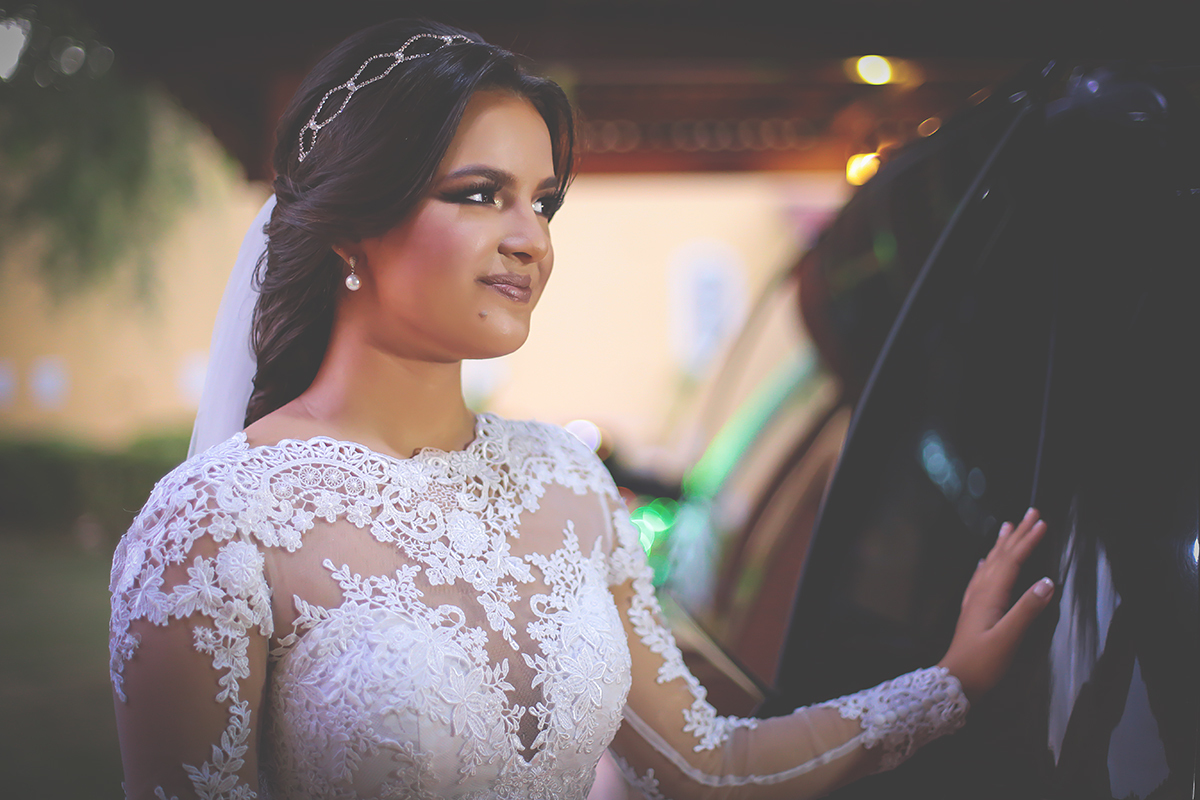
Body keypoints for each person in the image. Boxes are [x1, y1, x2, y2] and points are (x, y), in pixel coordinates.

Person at [108, 19, 1056, 800]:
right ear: (352, 226)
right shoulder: (213, 524)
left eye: (544, 203)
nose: (531, 239)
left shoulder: (568, 483)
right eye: (482, 194)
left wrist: (947, 687)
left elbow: (706, 766)